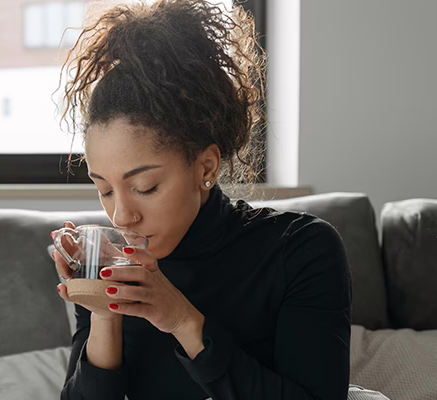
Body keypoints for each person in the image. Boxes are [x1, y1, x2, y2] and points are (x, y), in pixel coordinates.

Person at [51, 0, 352, 399]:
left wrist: (181, 320)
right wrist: (104, 314)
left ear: (206, 167)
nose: (121, 215)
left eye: (145, 187)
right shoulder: (114, 271)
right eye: (104, 189)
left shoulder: (301, 251)